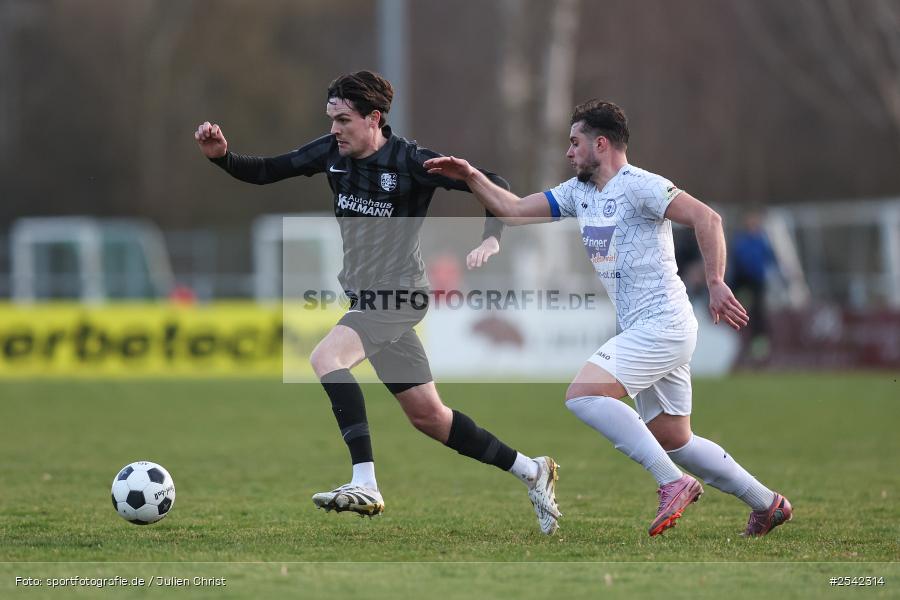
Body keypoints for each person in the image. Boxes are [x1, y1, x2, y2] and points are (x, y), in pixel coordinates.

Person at [194, 71, 560, 534]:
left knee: (326, 358)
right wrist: (223, 157)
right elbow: (268, 170)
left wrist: (492, 237)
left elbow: (490, 180)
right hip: (369, 298)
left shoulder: (411, 161)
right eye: (330, 119)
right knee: (430, 417)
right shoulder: (332, 154)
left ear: (374, 119)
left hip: (399, 296)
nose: (334, 129)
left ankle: (364, 480)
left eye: (343, 119)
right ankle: (533, 471)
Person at [424, 99, 792, 537]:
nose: (569, 152)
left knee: (583, 394)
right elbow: (514, 210)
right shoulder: (579, 193)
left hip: (664, 322)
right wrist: (470, 177)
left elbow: (706, 218)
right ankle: (767, 504)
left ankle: (671, 482)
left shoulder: (642, 186)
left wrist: (715, 281)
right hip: (645, 328)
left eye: (575, 143)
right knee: (676, 439)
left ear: (601, 144)